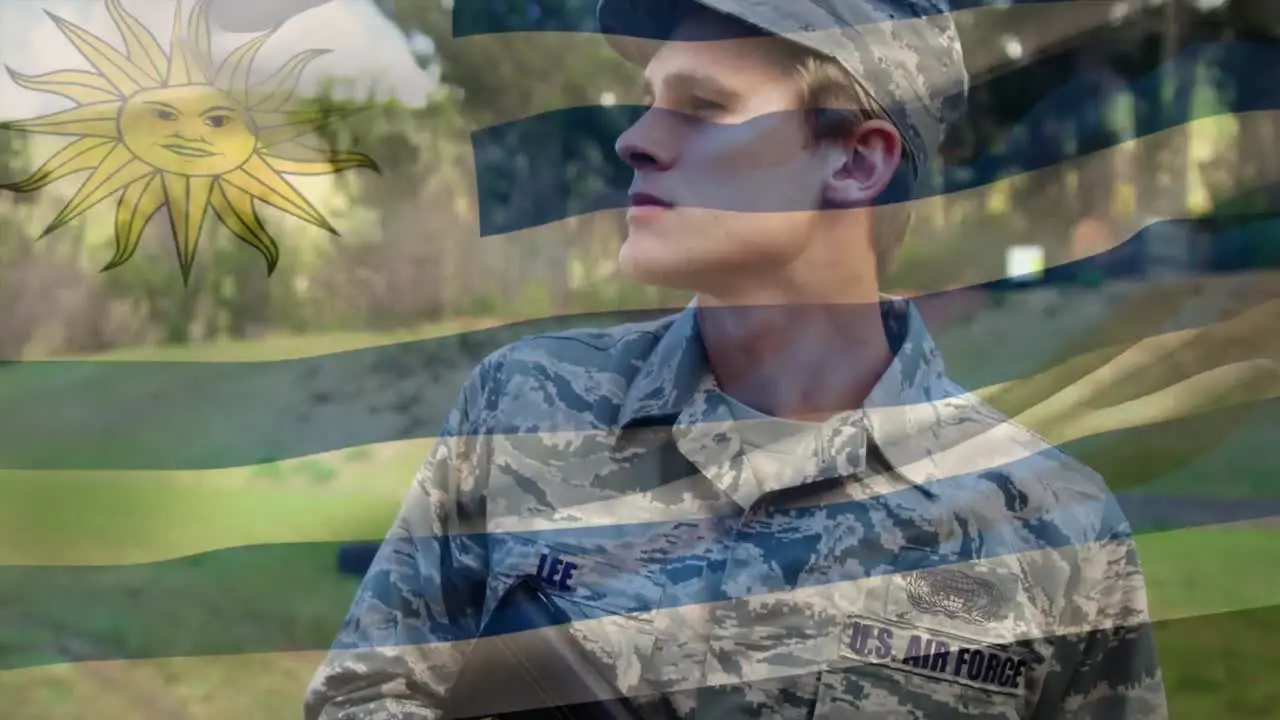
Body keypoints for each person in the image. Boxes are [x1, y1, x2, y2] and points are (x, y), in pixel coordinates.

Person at [303, 0, 1169, 717]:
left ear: (857, 161)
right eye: (648, 100)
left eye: (703, 106)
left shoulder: (1051, 530)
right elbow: (363, 694)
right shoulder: (527, 402)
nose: (634, 140)